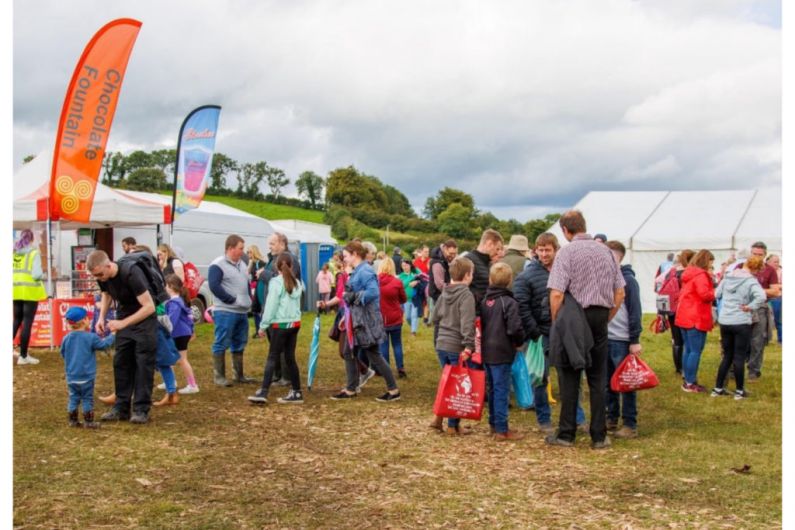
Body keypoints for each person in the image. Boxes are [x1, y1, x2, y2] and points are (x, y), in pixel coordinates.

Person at [546, 210, 625, 449]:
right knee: (597, 377)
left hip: (573, 316)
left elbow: (557, 292)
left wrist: (556, 321)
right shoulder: (607, 252)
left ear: (565, 230)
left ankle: (566, 433)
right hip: (600, 316)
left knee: (569, 375)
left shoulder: (566, 253)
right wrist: (607, 317)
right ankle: (599, 435)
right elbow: (620, 292)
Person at [87, 250, 157, 424]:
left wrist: (123, 324)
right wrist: (101, 317)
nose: (100, 278)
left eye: (101, 274)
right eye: (96, 276)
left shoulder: (131, 273)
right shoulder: (103, 276)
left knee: (143, 363)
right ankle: (121, 407)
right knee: (121, 362)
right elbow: (107, 293)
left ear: (109, 265)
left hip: (144, 319)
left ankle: (141, 409)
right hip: (124, 314)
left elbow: (149, 307)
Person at [330, 241, 401, 402]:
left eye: (346, 256)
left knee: (374, 355)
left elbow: (373, 292)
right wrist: (345, 316)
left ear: (355, 254)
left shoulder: (365, 271)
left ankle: (393, 389)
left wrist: (353, 297)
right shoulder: (359, 271)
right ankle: (350, 388)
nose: (344, 259)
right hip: (356, 320)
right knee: (348, 352)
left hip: (366, 322)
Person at [513, 232, 559, 434]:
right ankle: (544, 420)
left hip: (562, 331)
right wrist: (535, 333)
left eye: (547, 250)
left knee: (570, 376)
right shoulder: (527, 276)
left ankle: (577, 417)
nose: (544, 253)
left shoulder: (563, 271)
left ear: (555, 250)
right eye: (540, 250)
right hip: (540, 333)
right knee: (540, 377)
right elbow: (521, 306)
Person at [248, 253, 306, 404]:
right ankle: (297, 392)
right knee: (290, 358)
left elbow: (271, 306)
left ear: (276, 266)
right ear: (292, 266)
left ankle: (263, 392)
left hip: (280, 325)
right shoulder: (298, 283)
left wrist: (262, 326)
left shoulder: (275, 282)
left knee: (272, 357)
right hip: (294, 324)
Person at [430, 256, 476, 434]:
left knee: (446, 382)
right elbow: (467, 323)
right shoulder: (466, 295)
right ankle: (452, 426)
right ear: (466, 276)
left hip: (441, 342)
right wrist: (469, 346)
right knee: (457, 386)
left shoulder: (445, 292)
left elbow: (434, 317)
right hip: (457, 345)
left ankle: (439, 418)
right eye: (472, 273)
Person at [480, 262, 525, 441]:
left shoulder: (484, 301)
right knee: (501, 389)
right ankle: (501, 428)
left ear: (490, 279)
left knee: (492, 388)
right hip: (503, 350)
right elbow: (515, 328)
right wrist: (518, 342)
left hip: (487, 350)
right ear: (509, 281)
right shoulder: (509, 302)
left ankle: (493, 423)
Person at [711, 256, 767, 400]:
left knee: (727, 355)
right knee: (739, 357)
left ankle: (717, 388)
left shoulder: (727, 277)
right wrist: (750, 307)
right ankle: (739, 391)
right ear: (755, 268)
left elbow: (717, 294)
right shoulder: (750, 281)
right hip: (741, 321)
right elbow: (761, 296)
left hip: (726, 320)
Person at [604, 241, 642, 439]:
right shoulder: (604, 278)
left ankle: (629, 423)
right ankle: (611, 416)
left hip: (622, 338)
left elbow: (635, 311)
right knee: (608, 381)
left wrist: (634, 339)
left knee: (627, 382)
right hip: (606, 336)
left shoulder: (628, 281)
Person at [208, 235, 257, 387]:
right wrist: (230, 299)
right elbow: (214, 286)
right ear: (230, 248)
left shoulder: (242, 264)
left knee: (239, 342)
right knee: (221, 341)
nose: (243, 251)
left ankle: (238, 375)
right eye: (240, 248)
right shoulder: (218, 264)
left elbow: (246, 283)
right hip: (226, 311)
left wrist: (249, 298)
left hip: (241, 311)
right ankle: (219, 376)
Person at [259, 232, 303, 386]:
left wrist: (264, 274)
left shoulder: (290, 260)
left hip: (280, 318)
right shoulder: (272, 259)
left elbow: (287, 282)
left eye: (272, 243)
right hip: (287, 318)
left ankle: (282, 379)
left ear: (282, 244)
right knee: (280, 351)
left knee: (280, 352)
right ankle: (279, 376)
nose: (269, 246)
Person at [60, 306, 115, 428]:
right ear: (84, 320)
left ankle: (73, 420)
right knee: (87, 398)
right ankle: (89, 422)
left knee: (73, 397)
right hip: (87, 376)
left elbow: (63, 353)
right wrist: (113, 334)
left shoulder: (66, 338)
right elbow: (104, 344)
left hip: (71, 376)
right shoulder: (91, 337)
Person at [674, 249, 716, 393]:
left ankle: (687, 379)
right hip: (696, 317)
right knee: (695, 351)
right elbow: (705, 295)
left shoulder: (688, 274)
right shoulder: (701, 275)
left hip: (684, 315)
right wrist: (715, 292)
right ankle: (690, 382)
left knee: (689, 349)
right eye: (711, 264)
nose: (711, 266)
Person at [656, 250, 695, 376]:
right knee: (686, 340)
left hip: (671, 308)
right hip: (683, 308)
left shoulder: (670, 271)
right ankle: (684, 367)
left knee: (676, 339)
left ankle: (678, 367)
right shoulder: (687, 273)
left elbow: (658, 286)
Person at [746, 241, 781, 381]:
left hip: (760, 308)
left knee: (758, 340)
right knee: (740, 340)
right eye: (754, 254)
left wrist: (757, 291)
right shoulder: (742, 267)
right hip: (743, 308)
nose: (757, 257)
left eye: (760, 254)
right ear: (750, 253)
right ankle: (733, 369)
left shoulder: (769, 270)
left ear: (764, 255)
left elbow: (775, 291)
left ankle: (753, 370)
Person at [13, 229, 46, 365]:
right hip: (30, 291)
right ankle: (23, 356)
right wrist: (42, 274)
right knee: (27, 322)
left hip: (14, 289)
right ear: (32, 239)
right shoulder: (34, 252)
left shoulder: (13, 252)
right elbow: (37, 274)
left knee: (16, 320)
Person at [164, 274, 198, 394]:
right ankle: (171, 381)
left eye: (166, 285)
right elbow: (189, 318)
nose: (164, 288)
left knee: (182, 359)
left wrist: (165, 329)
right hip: (182, 333)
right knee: (173, 357)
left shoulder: (174, 303)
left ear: (171, 287)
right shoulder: (180, 301)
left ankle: (192, 385)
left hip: (178, 334)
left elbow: (171, 320)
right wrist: (191, 330)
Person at [377, 259, 408, 378]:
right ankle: (400, 367)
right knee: (397, 344)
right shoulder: (397, 282)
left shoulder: (375, 282)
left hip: (381, 317)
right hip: (395, 316)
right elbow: (403, 299)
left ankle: (386, 369)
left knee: (383, 345)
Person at [467, 229, 505, 309]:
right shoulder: (468, 261)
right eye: (497, 249)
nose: (498, 252)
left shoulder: (488, 263)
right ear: (489, 243)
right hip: (474, 314)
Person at [247, 245, 268, 334]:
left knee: (258, 308)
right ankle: (258, 330)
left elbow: (261, 275)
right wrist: (250, 262)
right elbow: (247, 272)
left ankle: (261, 329)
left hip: (259, 286)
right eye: (247, 252)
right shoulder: (252, 262)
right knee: (255, 309)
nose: (248, 254)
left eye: (249, 252)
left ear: (254, 252)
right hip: (253, 287)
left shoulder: (261, 262)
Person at [398, 260, 420, 336]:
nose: (405, 267)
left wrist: (417, 282)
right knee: (407, 317)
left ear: (410, 265)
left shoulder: (415, 274)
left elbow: (423, 277)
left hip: (415, 298)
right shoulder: (400, 276)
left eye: (407, 265)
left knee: (414, 315)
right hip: (406, 300)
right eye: (403, 265)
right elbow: (402, 285)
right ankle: (413, 326)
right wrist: (411, 278)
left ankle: (413, 331)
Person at [766, 254, 782, 344]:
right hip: (766, 298)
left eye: (778, 262)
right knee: (765, 320)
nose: (777, 263)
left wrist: (774, 286)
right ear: (768, 262)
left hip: (777, 298)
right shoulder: (765, 271)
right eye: (775, 262)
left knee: (778, 320)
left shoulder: (781, 272)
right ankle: (766, 339)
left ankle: (781, 339)